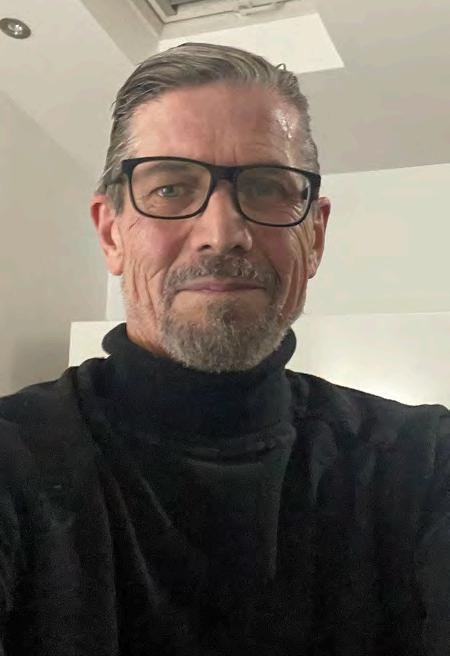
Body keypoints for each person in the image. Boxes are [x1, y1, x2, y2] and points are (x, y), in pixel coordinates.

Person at [0, 42, 448, 656]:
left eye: (265, 188)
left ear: (315, 235)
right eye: (170, 188)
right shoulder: (12, 459)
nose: (222, 234)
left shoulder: (425, 462)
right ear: (111, 234)